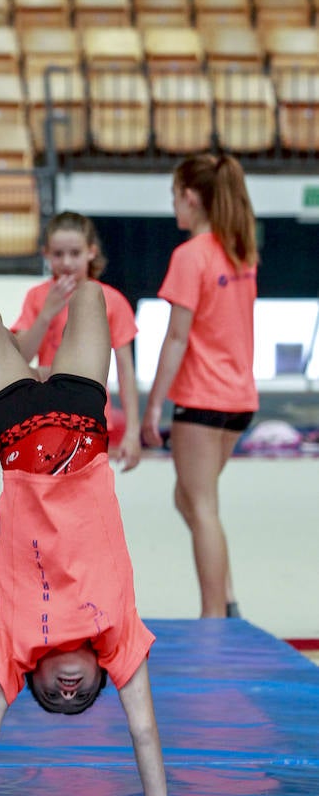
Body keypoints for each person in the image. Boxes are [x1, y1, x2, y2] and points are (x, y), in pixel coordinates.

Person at [0, 283, 211, 796]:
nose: (67, 691)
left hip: (16, 426)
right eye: (83, 696)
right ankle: (43, 330)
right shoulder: (119, 637)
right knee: (91, 296)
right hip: (82, 417)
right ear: (105, 674)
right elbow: (146, 733)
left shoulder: (15, 646)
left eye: (54, 697)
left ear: (34, 679)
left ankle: (28, 344)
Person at [141, 153, 259, 619]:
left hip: (203, 399)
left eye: (175, 197)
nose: (174, 208)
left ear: (191, 197)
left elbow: (176, 337)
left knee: (203, 506)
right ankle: (226, 599)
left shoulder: (191, 256)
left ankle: (215, 617)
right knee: (187, 498)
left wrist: (153, 408)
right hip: (238, 400)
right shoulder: (240, 249)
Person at [12, 211, 141, 471]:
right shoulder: (38, 297)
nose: (67, 262)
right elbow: (21, 357)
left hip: (90, 415)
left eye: (75, 253)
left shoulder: (111, 300)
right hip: (43, 414)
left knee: (84, 493)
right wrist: (47, 312)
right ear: (46, 254)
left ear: (91, 252)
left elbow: (126, 371)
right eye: (58, 254)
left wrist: (133, 431)